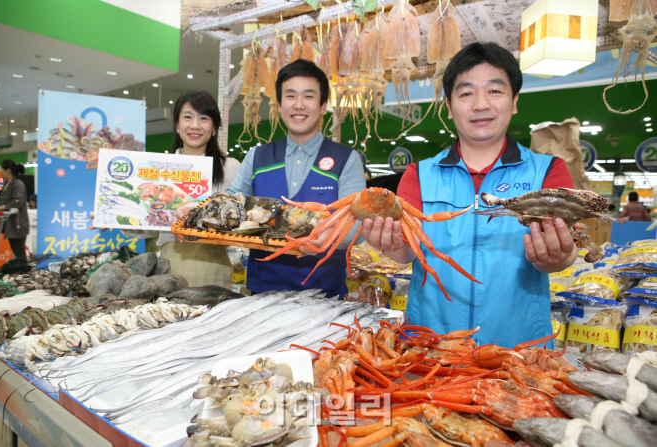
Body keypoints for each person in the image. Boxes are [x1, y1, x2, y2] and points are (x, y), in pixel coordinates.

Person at [361, 42, 576, 348]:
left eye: (495, 91)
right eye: (466, 93)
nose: (480, 104)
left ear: (514, 101)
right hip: (431, 343)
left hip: (520, 346)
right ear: (448, 106)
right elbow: (405, 252)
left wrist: (558, 256)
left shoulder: (548, 172)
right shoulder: (418, 175)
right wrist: (390, 244)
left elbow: (565, 255)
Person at [227, 59, 366, 297]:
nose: (298, 105)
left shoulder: (346, 159)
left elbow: (357, 224)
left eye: (309, 96)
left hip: (323, 296)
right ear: (279, 104)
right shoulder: (257, 156)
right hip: (261, 294)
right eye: (290, 96)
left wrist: (325, 240)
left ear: (323, 105)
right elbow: (232, 200)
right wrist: (195, 208)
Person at [124, 90, 240, 288]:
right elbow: (147, 223)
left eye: (204, 118)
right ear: (177, 125)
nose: (195, 125)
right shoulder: (159, 169)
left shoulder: (230, 168)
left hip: (214, 264)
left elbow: (241, 221)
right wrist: (115, 217)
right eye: (187, 117)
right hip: (170, 263)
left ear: (214, 128)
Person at [0, 160, 30, 259]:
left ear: (8, 170)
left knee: (19, 251)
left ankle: (24, 272)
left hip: (17, 224)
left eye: (2, 169)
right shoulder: (7, 184)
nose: (0, 171)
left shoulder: (18, 184)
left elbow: (18, 201)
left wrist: (0, 208)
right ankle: (20, 271)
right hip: (10, 224)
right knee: (15, 250)